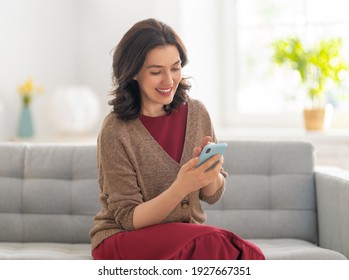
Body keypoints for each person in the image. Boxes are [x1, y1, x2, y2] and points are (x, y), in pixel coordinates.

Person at [89, 18, 265, 260]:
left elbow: (212, 195)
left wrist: (209, 173)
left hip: (186, 237)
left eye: (175, 67)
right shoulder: (116, 129)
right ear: (134, 72)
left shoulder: (197, 112)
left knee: (216, 245)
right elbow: (129, 218)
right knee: (221, 245)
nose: (169, 80)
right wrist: (182, 186)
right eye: (156, 72)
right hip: (124, 239)